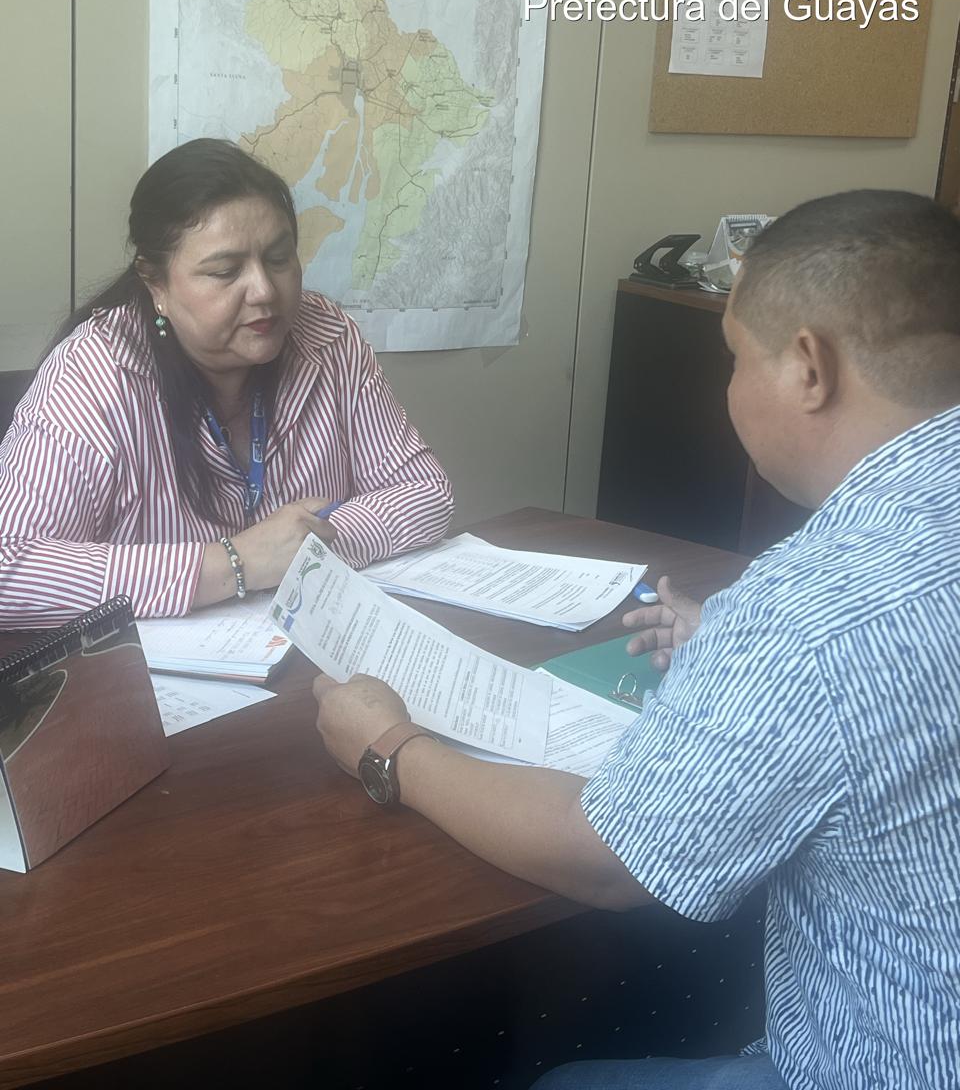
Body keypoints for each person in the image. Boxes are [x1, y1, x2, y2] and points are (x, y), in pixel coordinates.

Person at [312, 190, 960, 1090]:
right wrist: (733, 648)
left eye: (735, 356)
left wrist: (388, 747)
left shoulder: (813, 611)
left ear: (810, 368)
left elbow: (607, 858)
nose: (729, 387)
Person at [0, 139, 453, 628]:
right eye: (225, 271)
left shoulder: (326, 337)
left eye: (279, 258)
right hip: (155, 670)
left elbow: (425, 492)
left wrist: (302, 546)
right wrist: (236, 563)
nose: (264, 291)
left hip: (317, 643)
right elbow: (9, 567)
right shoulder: (95, 374)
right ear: (155, 284)